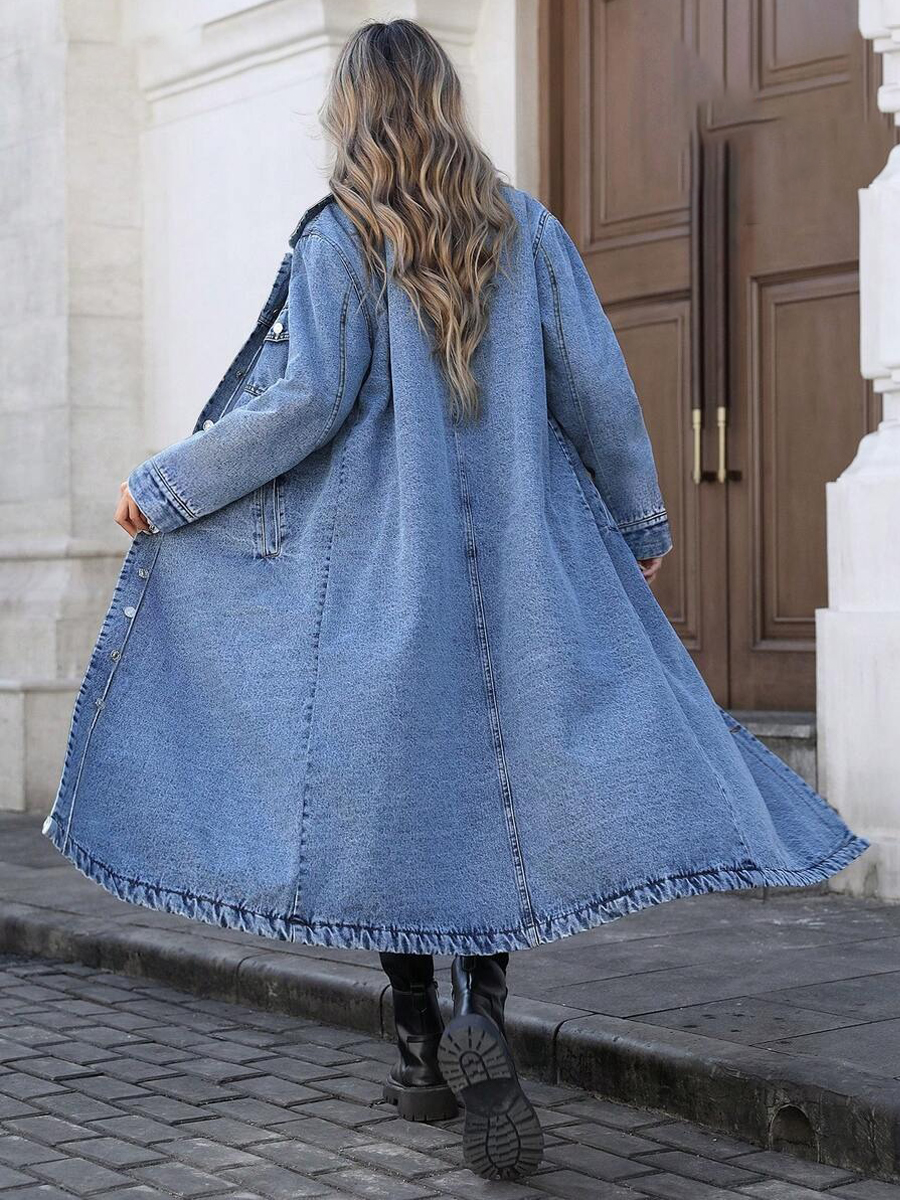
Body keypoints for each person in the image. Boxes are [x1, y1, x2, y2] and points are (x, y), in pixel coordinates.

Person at [46, 18, 869, 1184]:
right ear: (445, 100)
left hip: (380, 578)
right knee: (495, 793)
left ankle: (421, 1050)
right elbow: (598, 393)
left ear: (350, 108)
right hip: (528, 567)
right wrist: (639, 528)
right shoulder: (525, 229)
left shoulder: (341, 239)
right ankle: (485, 1013)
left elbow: (303, 403)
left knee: (396, 799)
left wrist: (166, 486)